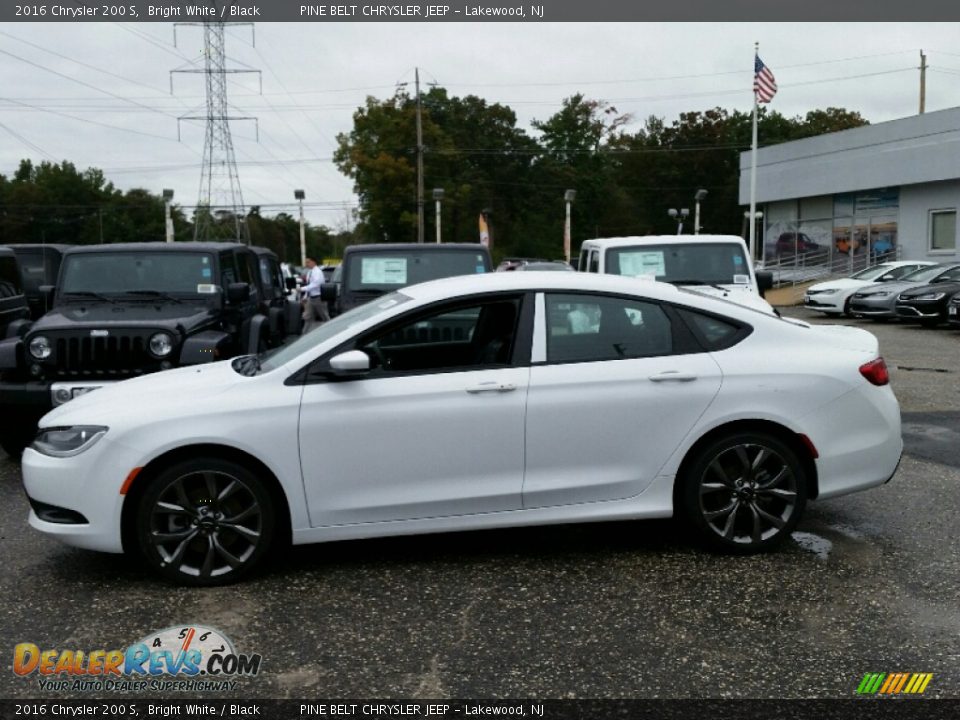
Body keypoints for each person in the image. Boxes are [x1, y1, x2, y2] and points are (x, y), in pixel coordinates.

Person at [301, 256, 330, 333]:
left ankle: (331, 332)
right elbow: (309, 284)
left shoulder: (318, 272)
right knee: (307, 317)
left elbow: (316, 284)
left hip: (319, 298)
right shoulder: (309, 272)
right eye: (306, 262)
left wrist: (303, 289)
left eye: (308, 262)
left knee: (325, 317)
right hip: (311, 298)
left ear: (313, 262)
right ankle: (304, 335)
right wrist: (305, 296)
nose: (307, 264)